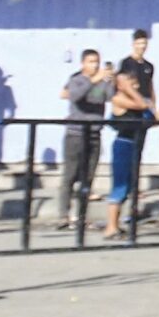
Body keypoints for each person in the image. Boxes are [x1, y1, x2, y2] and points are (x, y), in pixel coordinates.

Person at [102, 60, 153, 240]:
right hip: (123, 144)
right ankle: (111, 226)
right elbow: (142, 105)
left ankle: (117, 225)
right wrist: (126, 87)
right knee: (120, 185)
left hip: (136, 144)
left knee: (130, 186)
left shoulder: (135, 96)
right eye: (128, 81)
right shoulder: (118, 98)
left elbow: (151, 113)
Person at [59, 50, 110, 231]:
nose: (94, 65)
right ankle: (63, 215)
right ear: (83, 63)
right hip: (76, 133)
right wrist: (93, 80)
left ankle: (82, 215)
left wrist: (111, 80)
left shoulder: (101, 82)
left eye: (96, 62)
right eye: (90, 61)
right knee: (70, 176)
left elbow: (109, 96)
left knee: (88, 177)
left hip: (94, 133)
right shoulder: (77, 79)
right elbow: (75, 96)